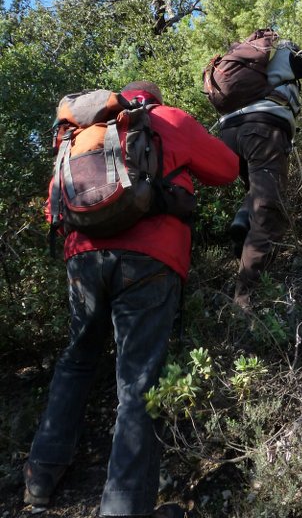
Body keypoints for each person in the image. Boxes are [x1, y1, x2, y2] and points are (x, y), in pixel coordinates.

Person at [24, 81, 239, 518]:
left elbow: (54, 208)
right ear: (153, 100)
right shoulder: (168, 119)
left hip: (82, 259)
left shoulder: (79, 134)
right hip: (150, 260)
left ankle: (40, 481)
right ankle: (123, 508)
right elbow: (227, 168)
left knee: (77, 359)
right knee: (138, 384)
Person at [217, 40, 302, 309]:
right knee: (268, 213)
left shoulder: (247, 60)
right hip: (263, 129)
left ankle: (242, 220)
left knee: (257, 191)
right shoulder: (289, 52)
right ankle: (245, 297)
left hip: (229, 132)